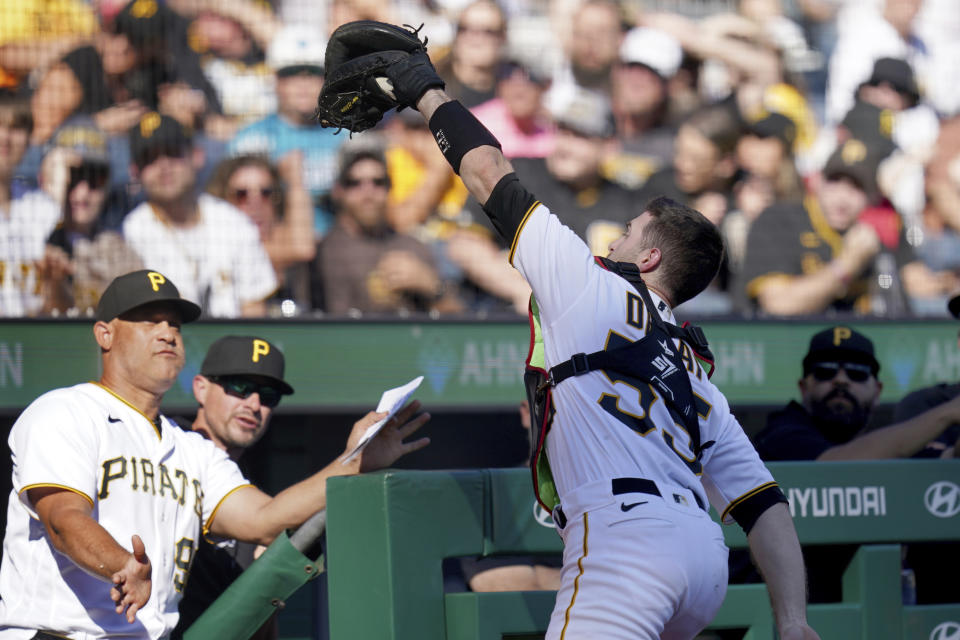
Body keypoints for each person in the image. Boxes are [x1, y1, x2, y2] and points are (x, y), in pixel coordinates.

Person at [366, 35, 819, 639]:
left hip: (624, 541)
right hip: (703, 560)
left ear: (651, 255)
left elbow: (487, 172)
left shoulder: (589, 283)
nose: (610, 241)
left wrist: (425, 92)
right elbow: (764, 506)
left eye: (628, 232)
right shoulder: (695, 374)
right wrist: (793, 623)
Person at [0, 269, 430, 638]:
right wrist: (120, 564)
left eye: (174, 324)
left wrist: (355, 461)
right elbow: (63, 519)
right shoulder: (66, 411)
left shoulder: (193, 451)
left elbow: (265, 520)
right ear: (105, 334)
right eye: (149, 321)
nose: (168, 332)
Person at [753, 325, 960, 602]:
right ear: (804, 386)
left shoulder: (890, 445)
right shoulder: (782, 432)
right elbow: (836, 469)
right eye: (825, 371)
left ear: (878, 391)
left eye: (856, 373)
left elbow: (946, 462)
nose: (841, 380)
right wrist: (947, 414)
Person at [169, 335, 293, 639]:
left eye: (268, 395)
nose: (254, 404)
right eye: (240, 386)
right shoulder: (164, 447)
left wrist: (266, 580)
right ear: (200, 388)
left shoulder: (253, 500)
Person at [122, 112, 278, 317]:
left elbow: (254, 310)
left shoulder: (232, 222)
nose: (164, 166)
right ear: (135, 171)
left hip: (232, 342)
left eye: (173, 152)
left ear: (197, 155)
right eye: (150, 158)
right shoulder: (133, 231)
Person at [312, 146, 457, 315]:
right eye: (355, 183)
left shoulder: (412, 246)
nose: (368, 192)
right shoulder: (324, 252)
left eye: (378, 182)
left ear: (389, 188)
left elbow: (458, 320)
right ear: (339, 191)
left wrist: (431, 286)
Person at [230, 24, 344, 236]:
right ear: (274, 81)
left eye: (313, 73)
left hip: (337, 248)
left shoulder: (348, 137)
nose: (303, 84)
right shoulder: (250, 141)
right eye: (291, 74)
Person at [205, 153, 315, 314]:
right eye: (242, 194)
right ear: (223, 200)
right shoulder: (216, 244)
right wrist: (296, 181)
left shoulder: (280, 236)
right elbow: (302, 248)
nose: (255, 204)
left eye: (265, 193)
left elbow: (303, 247)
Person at [0, 95, 62, 317]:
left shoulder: (42, 209)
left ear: (28, 140)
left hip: (32, 342)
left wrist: (54, 281)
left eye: (15, 128)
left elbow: (56, 306)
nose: (5, 137)